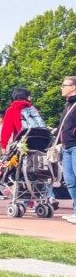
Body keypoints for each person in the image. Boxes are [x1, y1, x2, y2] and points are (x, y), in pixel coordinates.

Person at [0, 87, 46, 152]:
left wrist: (3, 147)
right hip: (40, 142)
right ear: (26, 97)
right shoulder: (32, 109)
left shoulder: (11, 110)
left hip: (23, 144)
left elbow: (6, 130)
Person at [57, 77, 76, 223]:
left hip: (75, 146)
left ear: (73, 87)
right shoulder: (68, 105)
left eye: (64, 85)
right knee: (69, 181)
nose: (61, 87)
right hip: (66, 147)